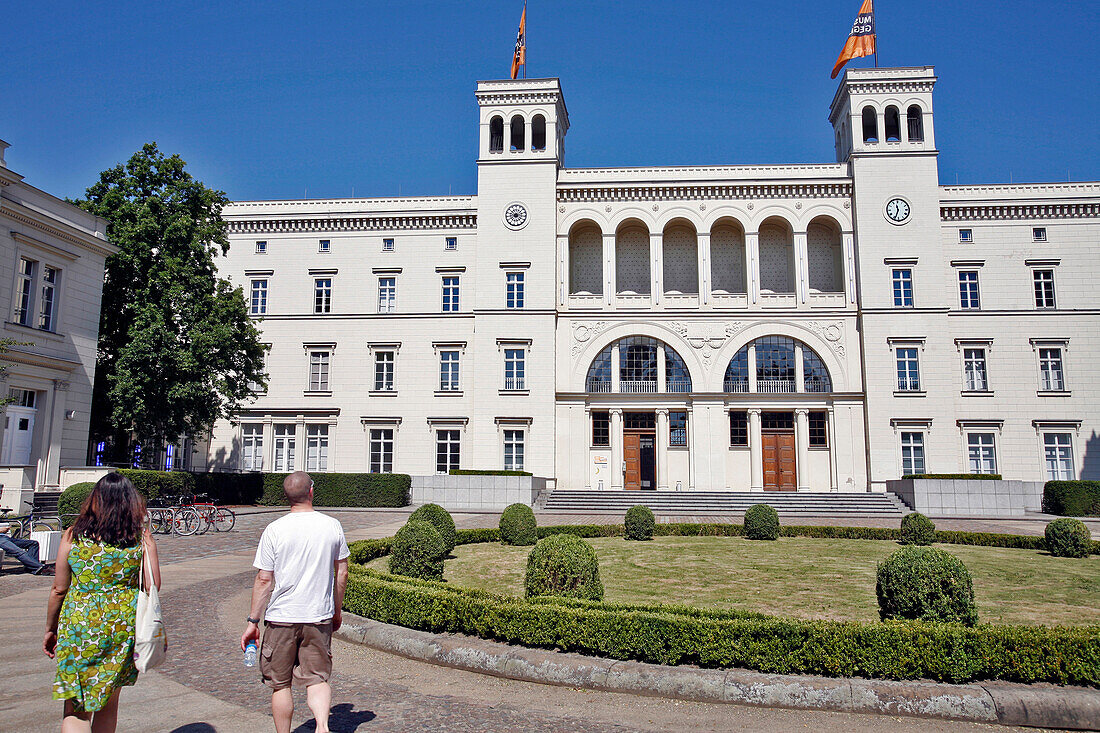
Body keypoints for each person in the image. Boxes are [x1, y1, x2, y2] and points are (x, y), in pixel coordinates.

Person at [44, 473, 161, 733]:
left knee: (76, 707)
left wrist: (51, 628)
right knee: (109, 703)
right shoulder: (140, 537)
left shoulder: (73, 535)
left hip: (79, 625)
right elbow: (153, 587)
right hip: (122, 626)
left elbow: (58, 589)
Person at [241, 471, 350, 733]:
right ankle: (322, 726)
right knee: (317, 678)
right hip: (318, 615)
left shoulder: (274, 529)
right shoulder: (331, 525)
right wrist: (336, 610)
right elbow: (342, 572)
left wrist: (253, 621)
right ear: (311, 492)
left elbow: (264, 580)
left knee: (280, 684)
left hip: (282, 617)